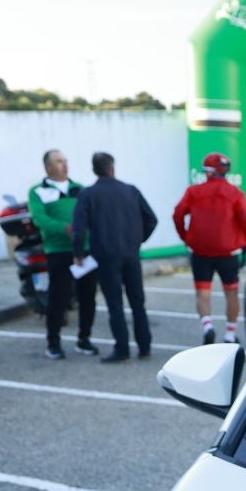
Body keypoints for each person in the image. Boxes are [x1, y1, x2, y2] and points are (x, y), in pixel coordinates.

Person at [70, 151, 159, 362]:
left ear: (94, 170)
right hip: (131, 253)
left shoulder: (88, 194)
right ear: (112, 168)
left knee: (115, 304)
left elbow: (79, 228)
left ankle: (122, 348)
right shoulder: (131, 191)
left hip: (105, 255)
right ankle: (144, 346)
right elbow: (151, 219)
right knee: (138, 302)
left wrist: (78, 253)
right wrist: (138, 240)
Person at [171, 151, 246, 345]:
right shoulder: (235, 193)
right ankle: (230, 335)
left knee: (203, 292)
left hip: (200, 251)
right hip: (227, 252)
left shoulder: (193, 191)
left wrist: (186, 238)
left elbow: (178, 214)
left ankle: (208, 326)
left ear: (208, 171)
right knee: (231, 293)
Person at [29, 149, 98, 358]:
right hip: (58, 251)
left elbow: (92, 214)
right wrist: (65, 228)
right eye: (59, 162)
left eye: (65, 161)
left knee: (88, 297)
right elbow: (39, 219)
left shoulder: (80, 189)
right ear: (48, 167)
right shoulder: (38, 191)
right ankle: (53, 342)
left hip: (84, 250)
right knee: (58, 297)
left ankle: (84, 339)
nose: (64, 165)